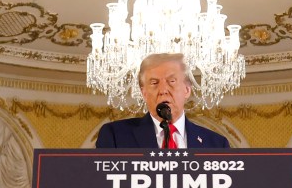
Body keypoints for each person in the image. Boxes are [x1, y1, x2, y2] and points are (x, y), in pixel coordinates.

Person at [95, 53, 230, 149]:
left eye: (172, 81)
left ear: (187, 90)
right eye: (154, 83)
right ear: (144, 93)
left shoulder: (217, 144)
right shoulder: (115, 136)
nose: (163, 90)